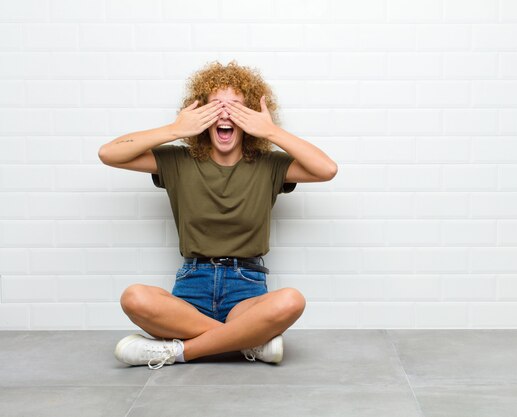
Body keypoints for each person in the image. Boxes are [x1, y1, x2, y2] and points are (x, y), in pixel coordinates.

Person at [98, 60, 337, 369]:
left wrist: (272, 131)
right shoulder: (178, 161)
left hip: (247, 289)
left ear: (250, 117)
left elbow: (327, 169)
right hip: (190, 291)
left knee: (291, 300)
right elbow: (109, 153)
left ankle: (177, 352)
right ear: (200, 115)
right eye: (215, 107)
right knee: (135, 297)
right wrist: (174, 130)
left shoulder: (269, 165)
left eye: (237, 107)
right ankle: (247, 342)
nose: (225, 114)